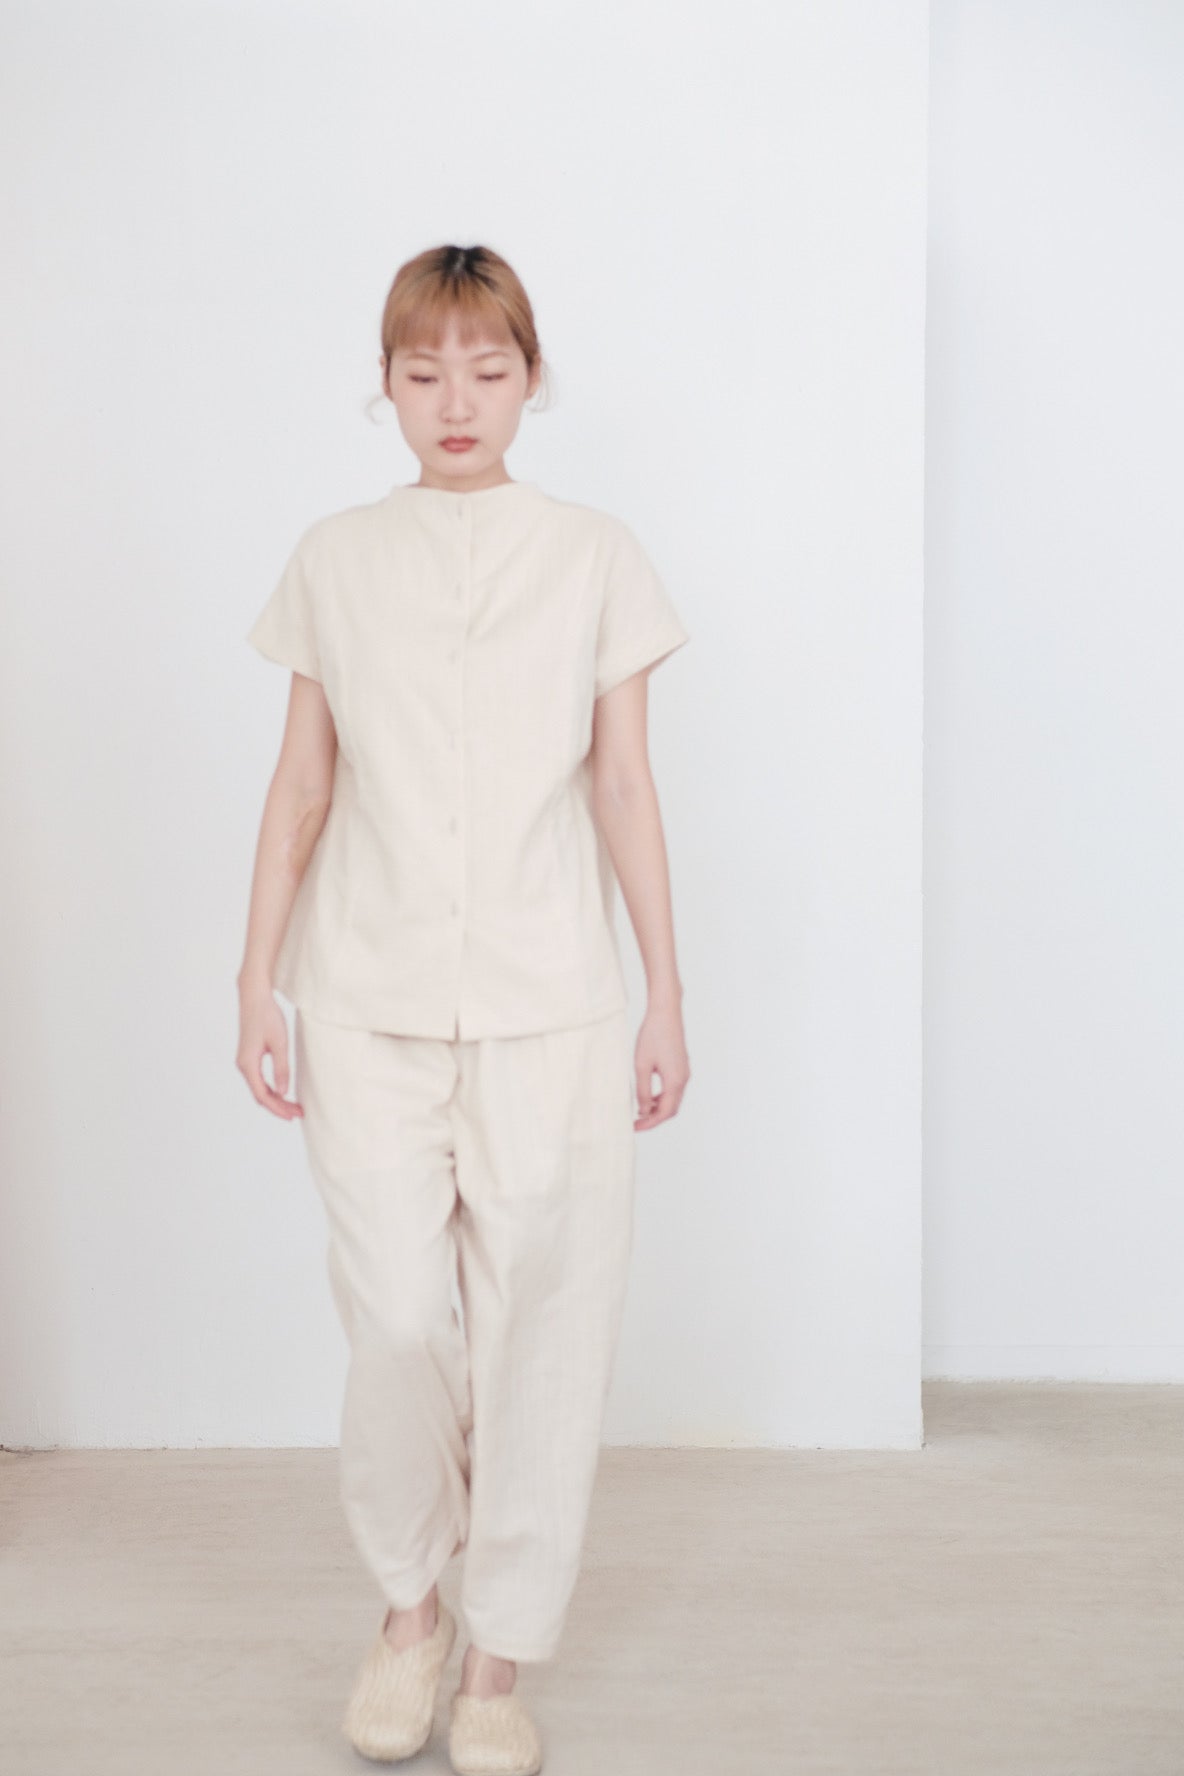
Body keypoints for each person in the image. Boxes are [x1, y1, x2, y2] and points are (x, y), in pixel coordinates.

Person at [236, 243, 691, 1776]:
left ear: (531, 380)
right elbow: (303, 785)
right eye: (424, 370)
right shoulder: (334, 558)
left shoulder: (597, 556)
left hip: (553, 1000)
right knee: (394, 1319)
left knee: (541, 1330)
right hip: (363, 993)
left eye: (487, 370)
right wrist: (253, 975)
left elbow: (622, 786)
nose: (456, 399)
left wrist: (666, 994)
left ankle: (496, 1662)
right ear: (385, 383)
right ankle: (409, 1614)